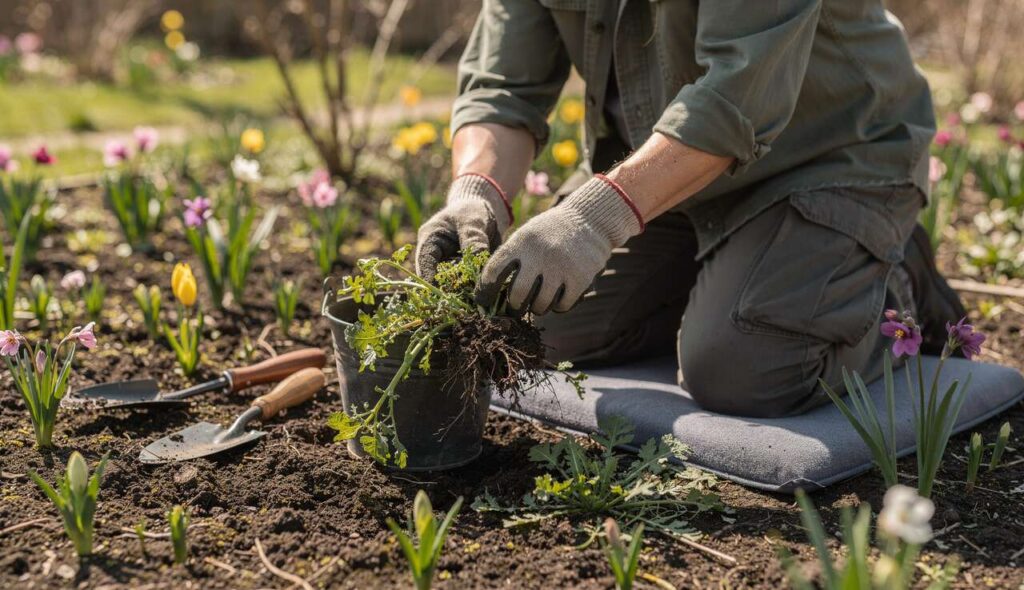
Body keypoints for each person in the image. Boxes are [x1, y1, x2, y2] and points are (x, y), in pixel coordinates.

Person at [415, 0, 966, 418]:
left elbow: (735, 99)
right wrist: (476, 191)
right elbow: (502, 90)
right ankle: (752, 274)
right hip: (671, 174)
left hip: (833, 157)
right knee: (540, 322)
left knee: (743, 368)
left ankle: (887, 275)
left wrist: (593, 219)